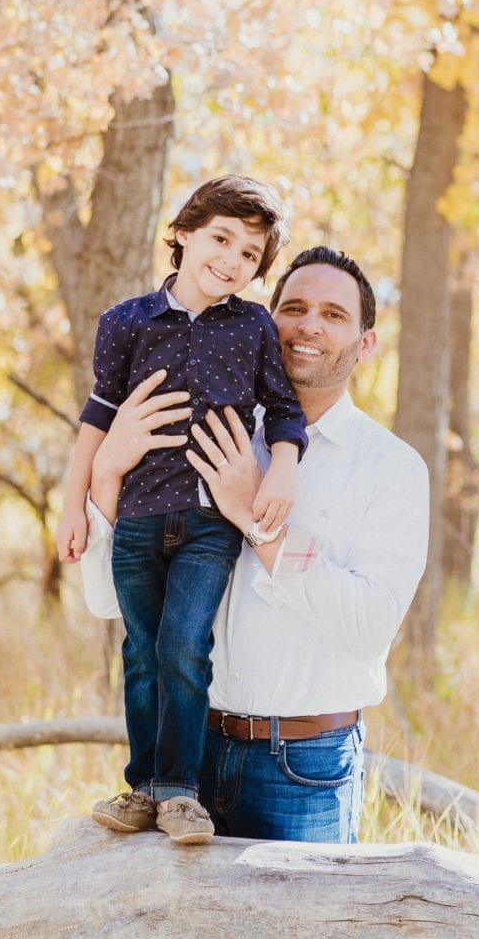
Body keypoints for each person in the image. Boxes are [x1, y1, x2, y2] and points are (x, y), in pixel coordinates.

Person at [85, 245, 429, 843]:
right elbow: (104, 601)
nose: (309, 325)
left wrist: (255, 519)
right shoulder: (200, 435)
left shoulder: (391, 468)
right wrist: (107, 472)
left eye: (334, 314)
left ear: (365, 343)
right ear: (264, 327)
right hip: (185, 766)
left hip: (303, 768)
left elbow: (369, 625)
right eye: (293, 308)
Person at [56, 176, 308, 844]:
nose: (230, 259)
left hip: (208, 523)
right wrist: (74, 504)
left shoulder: (252, 326)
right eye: (220, 238)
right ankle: (142, 787)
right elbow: (97, 419)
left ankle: (179, 792)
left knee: (182, 645)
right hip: (137, 514)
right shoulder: (125, 322)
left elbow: (283, 409)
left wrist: (280, 465)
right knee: (139, 652)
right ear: (185, 232)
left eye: (249, 255)